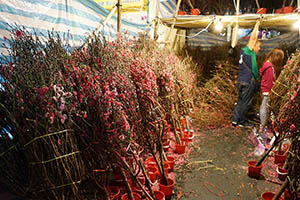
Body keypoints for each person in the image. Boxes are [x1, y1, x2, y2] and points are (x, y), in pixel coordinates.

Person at [232, 20, 261, 127]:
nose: (259, 49)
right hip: (248, 81)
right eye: (258, 47)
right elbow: (253, 38)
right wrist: (257, 25)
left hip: (241, 81)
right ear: (253, 46)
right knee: (246, 102)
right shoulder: (248, 51)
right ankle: (242, 121)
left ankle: (235, 120)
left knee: (240, 101)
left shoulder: (244, 53)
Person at [258, 48, 284, 137]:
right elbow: (269, 81)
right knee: (265, 107)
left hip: (266, 90)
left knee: (266, 107)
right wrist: (272, 91)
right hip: (267, 90)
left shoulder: (268, 65)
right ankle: (263, 126)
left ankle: (265, 126)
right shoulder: (269, 67)